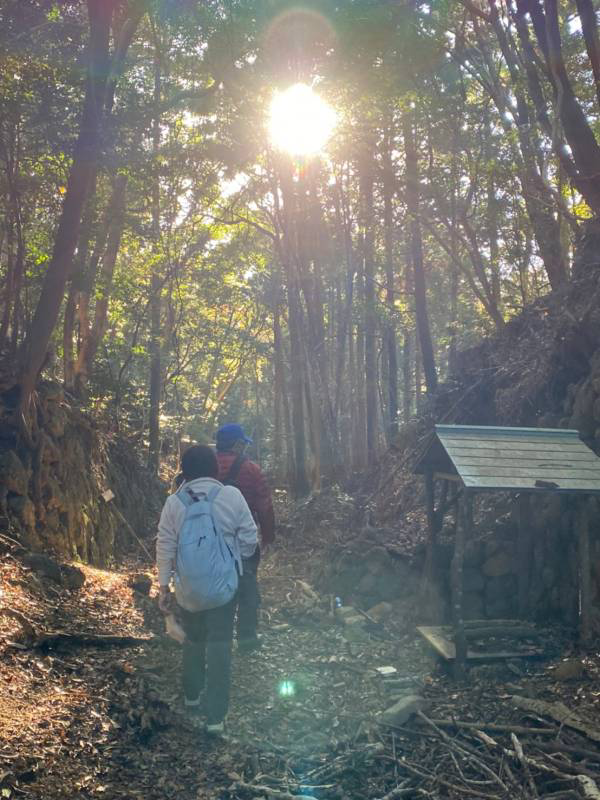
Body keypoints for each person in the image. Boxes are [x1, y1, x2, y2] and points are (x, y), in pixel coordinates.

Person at [157, 444, 258, 735]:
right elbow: (250, 538)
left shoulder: (174, 503)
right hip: (223, 588)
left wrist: (164, 587)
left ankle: (191, 695)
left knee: (193, 640)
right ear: (215, 468)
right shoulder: (230, 495)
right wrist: (235, 558)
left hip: (188, 589)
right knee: (220, 647)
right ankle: (216, 718)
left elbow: (165, 546)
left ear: (185, 471)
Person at [215, 423, 275, 652]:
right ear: (237, 444)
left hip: (208, 539)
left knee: (215, 585)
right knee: (247, 587)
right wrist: (268, 536)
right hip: (243, 540)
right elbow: (265, 506)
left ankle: (218, 635)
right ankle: (247, 638)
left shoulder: (203, 466)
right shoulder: (251, 470)